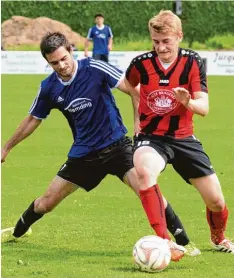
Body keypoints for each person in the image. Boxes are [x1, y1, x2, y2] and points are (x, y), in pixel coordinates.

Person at [1, 32, 199, 261]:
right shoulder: (49, 88)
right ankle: (17, 233)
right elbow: (32, 120)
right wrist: (6, 148)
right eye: (54, 63)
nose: (62, 65)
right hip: (83, 155)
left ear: (71, 50)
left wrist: (138, 122)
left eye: (64, 58)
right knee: (46, 203)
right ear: (47, 62)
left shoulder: (95, 67)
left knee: (147, 188)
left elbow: (134, 89)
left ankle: (184, 242)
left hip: (117, 146)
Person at [124, 10, 234, 254]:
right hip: (151, 138)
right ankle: (165, 242)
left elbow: (203, 108)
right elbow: (129, 86)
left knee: (216, 201)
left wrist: (188, 103)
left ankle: (218, 237)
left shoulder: (192, 62)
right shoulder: (140, 64)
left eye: (166, 41)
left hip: (184, 138)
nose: (160, 47)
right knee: (144, 171)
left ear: (179, 36)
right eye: (155, 41)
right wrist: (136, 117)